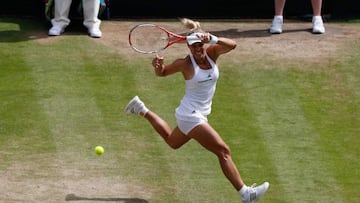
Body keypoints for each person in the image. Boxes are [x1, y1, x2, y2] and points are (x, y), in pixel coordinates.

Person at [124, 19, 269, 203]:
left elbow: (233, 45)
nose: (197, 49)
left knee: (172, 141)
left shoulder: (213, 53)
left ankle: (140, 108)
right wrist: (158, 67)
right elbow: (162, 73)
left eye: (200, 45)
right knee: (223, 150)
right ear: (189, 48)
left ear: (204, 43)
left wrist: (213, 38)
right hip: (191, 115)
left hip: (198, 114)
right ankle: (246, 194)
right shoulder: (185, 64)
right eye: (193, 47)